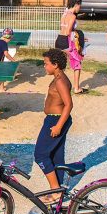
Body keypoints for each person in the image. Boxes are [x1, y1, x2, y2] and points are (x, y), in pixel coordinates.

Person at [34, 48, 73, 204]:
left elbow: (69, 105)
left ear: (55, 65)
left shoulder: (60, 81)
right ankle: (58, 191)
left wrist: (58, 126)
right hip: (53, 119)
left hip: (56, 121)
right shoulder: (58, 77)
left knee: (41, 155)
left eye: (46, 63)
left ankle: (55, 191)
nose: (44, 66)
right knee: (56, 155)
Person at [56, 0, 86, 94]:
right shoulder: (72, 16)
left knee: (60, 65)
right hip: (67, 41)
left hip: (59, 39)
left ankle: (58, 86)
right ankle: (76, 88)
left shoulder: (64, 13)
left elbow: (63, 29)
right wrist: (78, 36)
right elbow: (69, 32)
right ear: (76, 4)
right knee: (77, 63)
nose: (79, 9)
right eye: (79, 6)